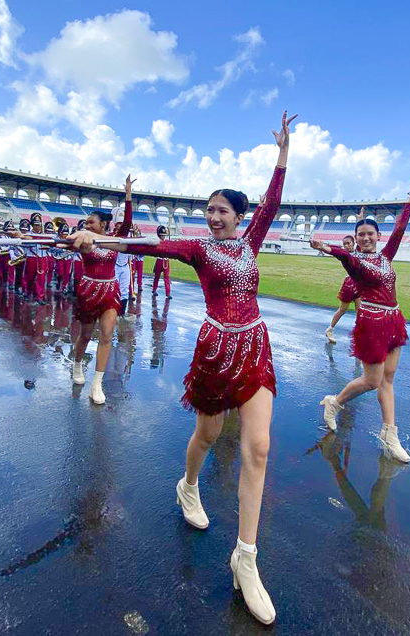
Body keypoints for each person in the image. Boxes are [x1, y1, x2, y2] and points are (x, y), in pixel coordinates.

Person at [73, 111, 297, 625]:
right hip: (216, 350)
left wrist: (283, 154)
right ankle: (188, 485)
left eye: (222, 210)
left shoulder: (251, 241)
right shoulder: (198, 248)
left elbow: (273, 200)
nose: (213, 217)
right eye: (209, 210)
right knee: (208, 435)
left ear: (239, 216)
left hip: (255, 347)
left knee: (258, 447)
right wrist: (99, 240)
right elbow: (150, 245)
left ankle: (246, 559)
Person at [311, 177, 410, 464]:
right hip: (372, 325)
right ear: (356, 237)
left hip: (394, 320)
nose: (365, 238)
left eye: (369, 233)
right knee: (372, 381)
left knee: (388, 378)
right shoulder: (357, 261)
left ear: (378, 235)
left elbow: (400, 229)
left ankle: (390, 434)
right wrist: (327, 248)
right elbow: (344, 257)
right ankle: (334, 402)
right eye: (360, 234)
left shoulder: (387, 256)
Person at [70, 175, 136, 405]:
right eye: (86, 223)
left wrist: (128, 195)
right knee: (86, 335)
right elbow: (60, 242)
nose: (87, 226)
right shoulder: (83, 240)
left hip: (110, 292)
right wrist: (23, 237)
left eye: (91, 223)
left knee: (107, 335)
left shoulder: (114, 240)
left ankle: (96, 384)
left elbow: (127, 223)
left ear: (103, 225)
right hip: (88, 291)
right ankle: (77, 364)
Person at [324, 234, 358, 344]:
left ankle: (359, 335)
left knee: (360, 312)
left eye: (349, 243)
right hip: (349, 284)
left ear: (354, 243)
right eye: (345, 244)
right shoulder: (344, 254)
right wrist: (323, 246)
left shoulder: (359, 251)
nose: (347, 245)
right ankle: (329, 329)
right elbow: (334, 250)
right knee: (343, 310)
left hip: (360, 285)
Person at [151, 225, 172, 298]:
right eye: (162, 235)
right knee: (157, 276)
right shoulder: (157, 242)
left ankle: (168, 293)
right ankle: (154, 289)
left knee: (166, 277)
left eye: (164, 235)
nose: (163, 237)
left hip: (166, 261)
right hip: (159, 260)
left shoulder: (166, 242)